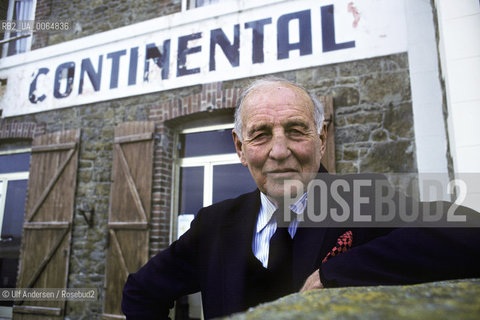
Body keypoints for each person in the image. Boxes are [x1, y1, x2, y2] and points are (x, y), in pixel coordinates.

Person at [122, 77, 480, 319]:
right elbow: (140, 291)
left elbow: (469, 229)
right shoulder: (213, 224)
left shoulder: (361, 200)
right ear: (240, 148)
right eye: (261, 134)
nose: (280, 151)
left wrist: (336, 273)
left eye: (296, 130)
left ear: (321, 139)